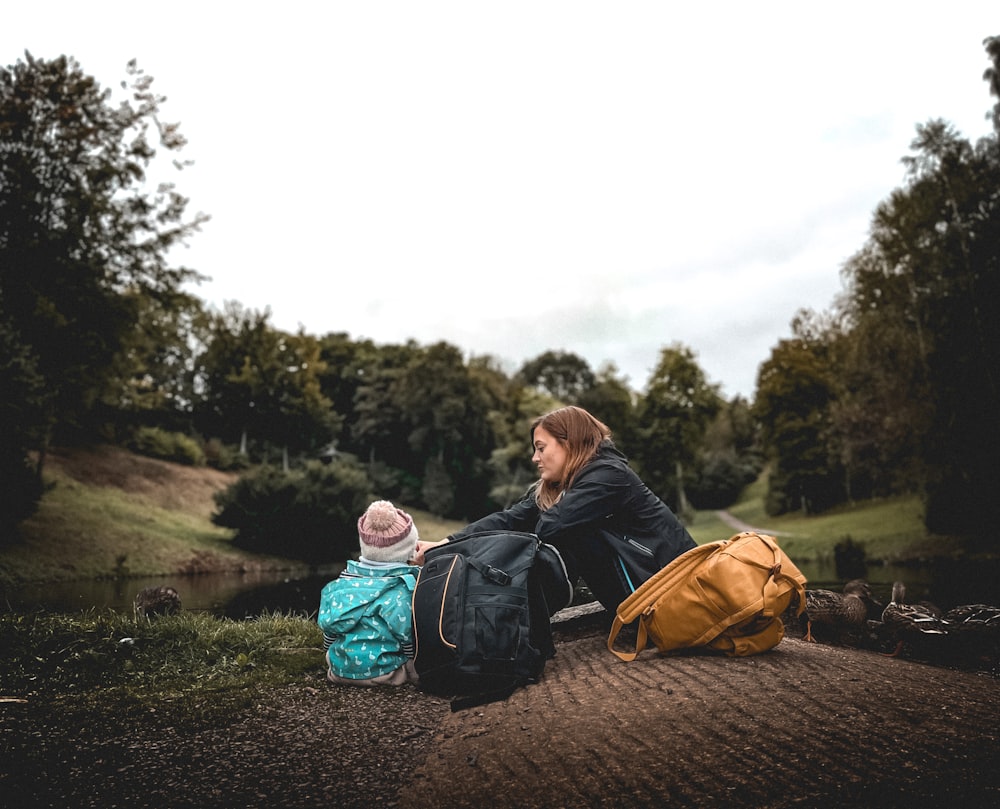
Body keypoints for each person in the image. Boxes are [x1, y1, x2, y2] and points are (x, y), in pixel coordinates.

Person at [415, 405, 697, 613]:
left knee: (556, 539)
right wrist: (445, 545)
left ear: (568, 443)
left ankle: (511, 624)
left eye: (541, 448)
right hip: (646, 595)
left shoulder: (609, 475)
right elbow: (510, 519)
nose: (535, 457)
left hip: (673, 594)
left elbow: (549, 527)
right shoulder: (572, 484)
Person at [318, 500, 421, 686]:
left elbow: (330, 630)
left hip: (338, 671)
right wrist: (412, 661)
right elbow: (407, 640)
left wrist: (329, 652)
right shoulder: (401, 591)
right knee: (415, 663)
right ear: (408, 551)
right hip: (386, 673)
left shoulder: (342, 584)